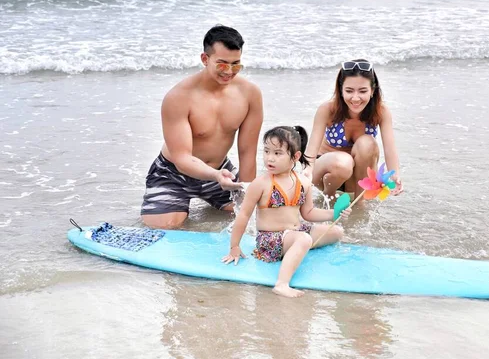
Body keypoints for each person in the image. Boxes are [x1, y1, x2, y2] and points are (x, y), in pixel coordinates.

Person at [141, 25, 264, 229]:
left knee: (259, 215)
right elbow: (181, 159)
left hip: (221, 172)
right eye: (222, 64)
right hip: (173, 174)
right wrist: (215, 176)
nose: (229, 72)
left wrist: (246, 195)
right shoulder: (179, 97)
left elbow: (248, 153)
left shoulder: (250, 94)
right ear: (205, 59)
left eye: (236, 65)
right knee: (167, 227)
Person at [222, 126, 352, 298]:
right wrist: (234, 247)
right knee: (304, 239)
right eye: (267, 151)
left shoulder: (303, 182)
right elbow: (244, 215)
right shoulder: (261, 184)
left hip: (295, 232)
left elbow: (309, 213)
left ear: (296, 156)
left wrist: (335, 214)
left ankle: (297, 248)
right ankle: (282, 284)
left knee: (336, 232)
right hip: (270, 241)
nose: (270, 158)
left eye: (277, 153)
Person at [302, 59, 403, 200]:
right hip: (328, 171)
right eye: (349, 91)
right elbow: (311, 151)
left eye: (362, 91)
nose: (355, 98)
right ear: (341, 90)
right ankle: (328, 197)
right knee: (344, 162)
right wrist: (306, 171)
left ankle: (359, 202)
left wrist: (395, 175)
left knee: (368, 143)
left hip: (358, 176)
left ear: (372, 90)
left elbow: (390, 148)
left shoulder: (381, 111)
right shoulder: (327, 109)